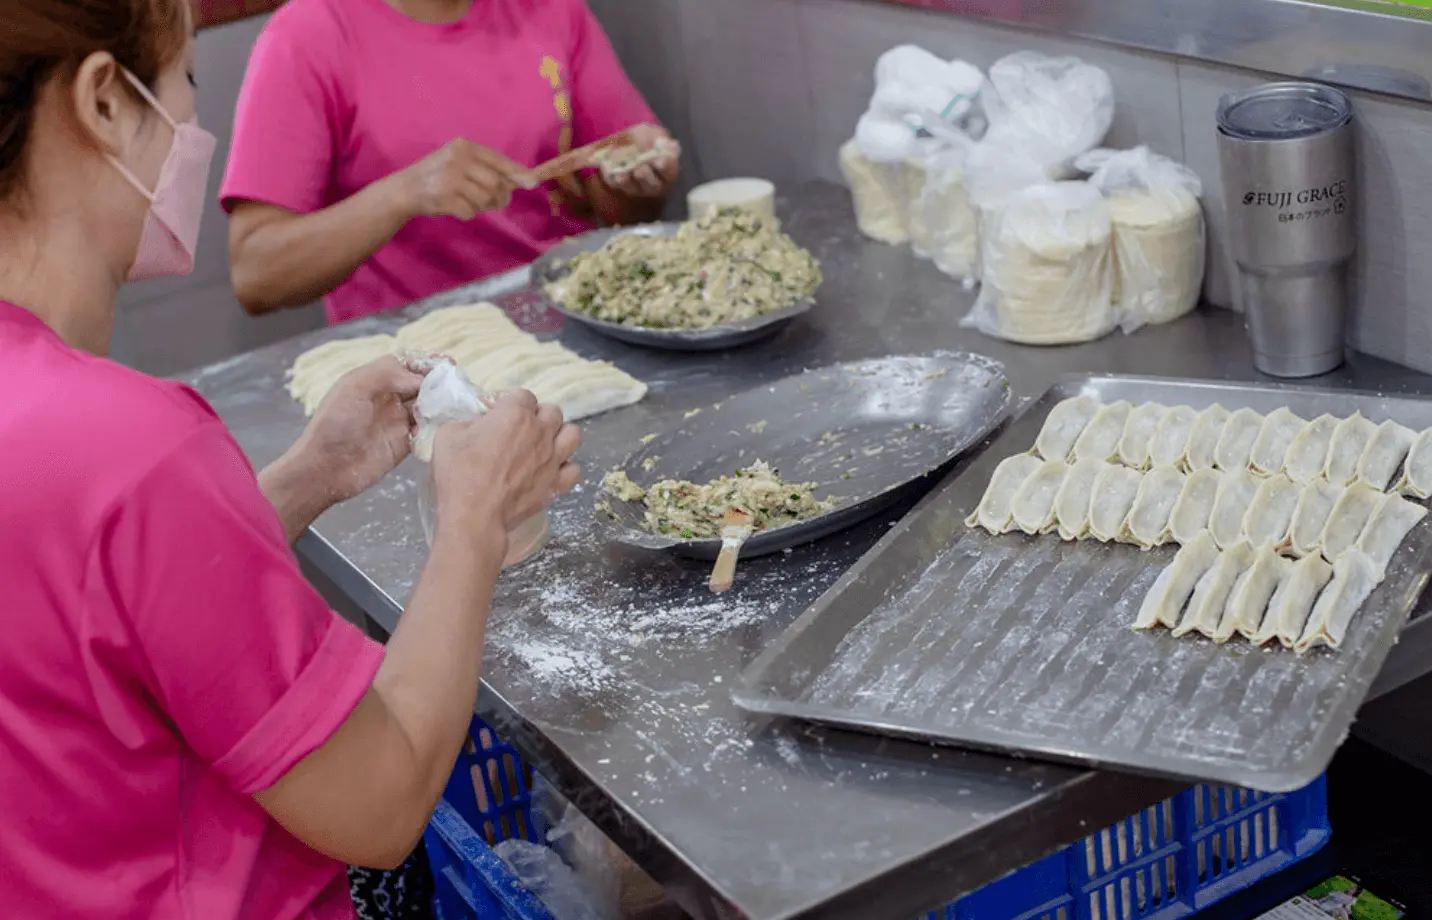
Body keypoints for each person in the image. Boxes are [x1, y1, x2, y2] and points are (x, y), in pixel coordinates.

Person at [0, 1, 581, 916]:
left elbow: (92, 619)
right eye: (187, 81)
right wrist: (473, 518)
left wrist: (306, 478)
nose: (195, 126)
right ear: (105, 101)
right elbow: (382, 802)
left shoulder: (62, 430)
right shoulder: (134, 447)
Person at [222, 0, 680, 325]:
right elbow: (258, 275)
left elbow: (623, 210)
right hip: (414, 357)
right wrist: (403, 194)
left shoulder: (552, 10)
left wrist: (639, 180)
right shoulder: (309, 35)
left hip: (571, 315)